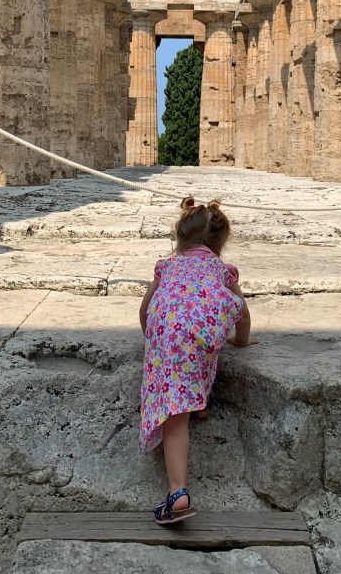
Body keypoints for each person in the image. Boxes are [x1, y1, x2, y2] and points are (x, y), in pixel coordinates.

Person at [139, 196, 258, 525]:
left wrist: (152, 342)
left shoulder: (167, 266)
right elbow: (242, 314)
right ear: (220, 243)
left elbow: (145, 310)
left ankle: (177, 490)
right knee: (203, 354)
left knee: (174, 414)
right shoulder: (222, 270)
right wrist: (241, 341)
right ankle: (200, 406)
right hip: (200, 343)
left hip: (169, 339)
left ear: (180, 239)